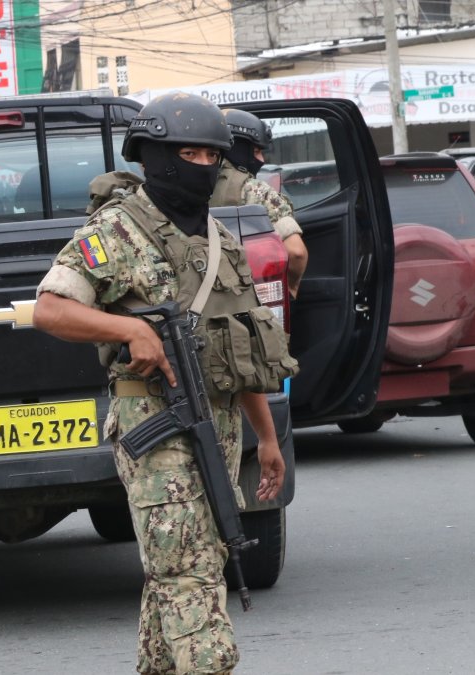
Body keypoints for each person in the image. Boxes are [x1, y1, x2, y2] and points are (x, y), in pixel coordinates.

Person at [32, 93, 294, 674]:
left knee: (182, 566)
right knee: (189, 569)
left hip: (220, 421)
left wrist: (266, 437)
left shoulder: (221, 239)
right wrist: (127, 328)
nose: (197, 164)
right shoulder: (118, 229)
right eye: (184, 152)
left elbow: (239, 348)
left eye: (209, 154)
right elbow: (50, 309)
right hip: (154, 420)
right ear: (152, 156)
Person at [210, 109, 309, 299]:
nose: (261, 160)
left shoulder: (189, 185)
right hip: (249, 297)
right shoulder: (254, 190)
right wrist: (292, 289)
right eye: (255, 151)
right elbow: (296, 252)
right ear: (236, 148)